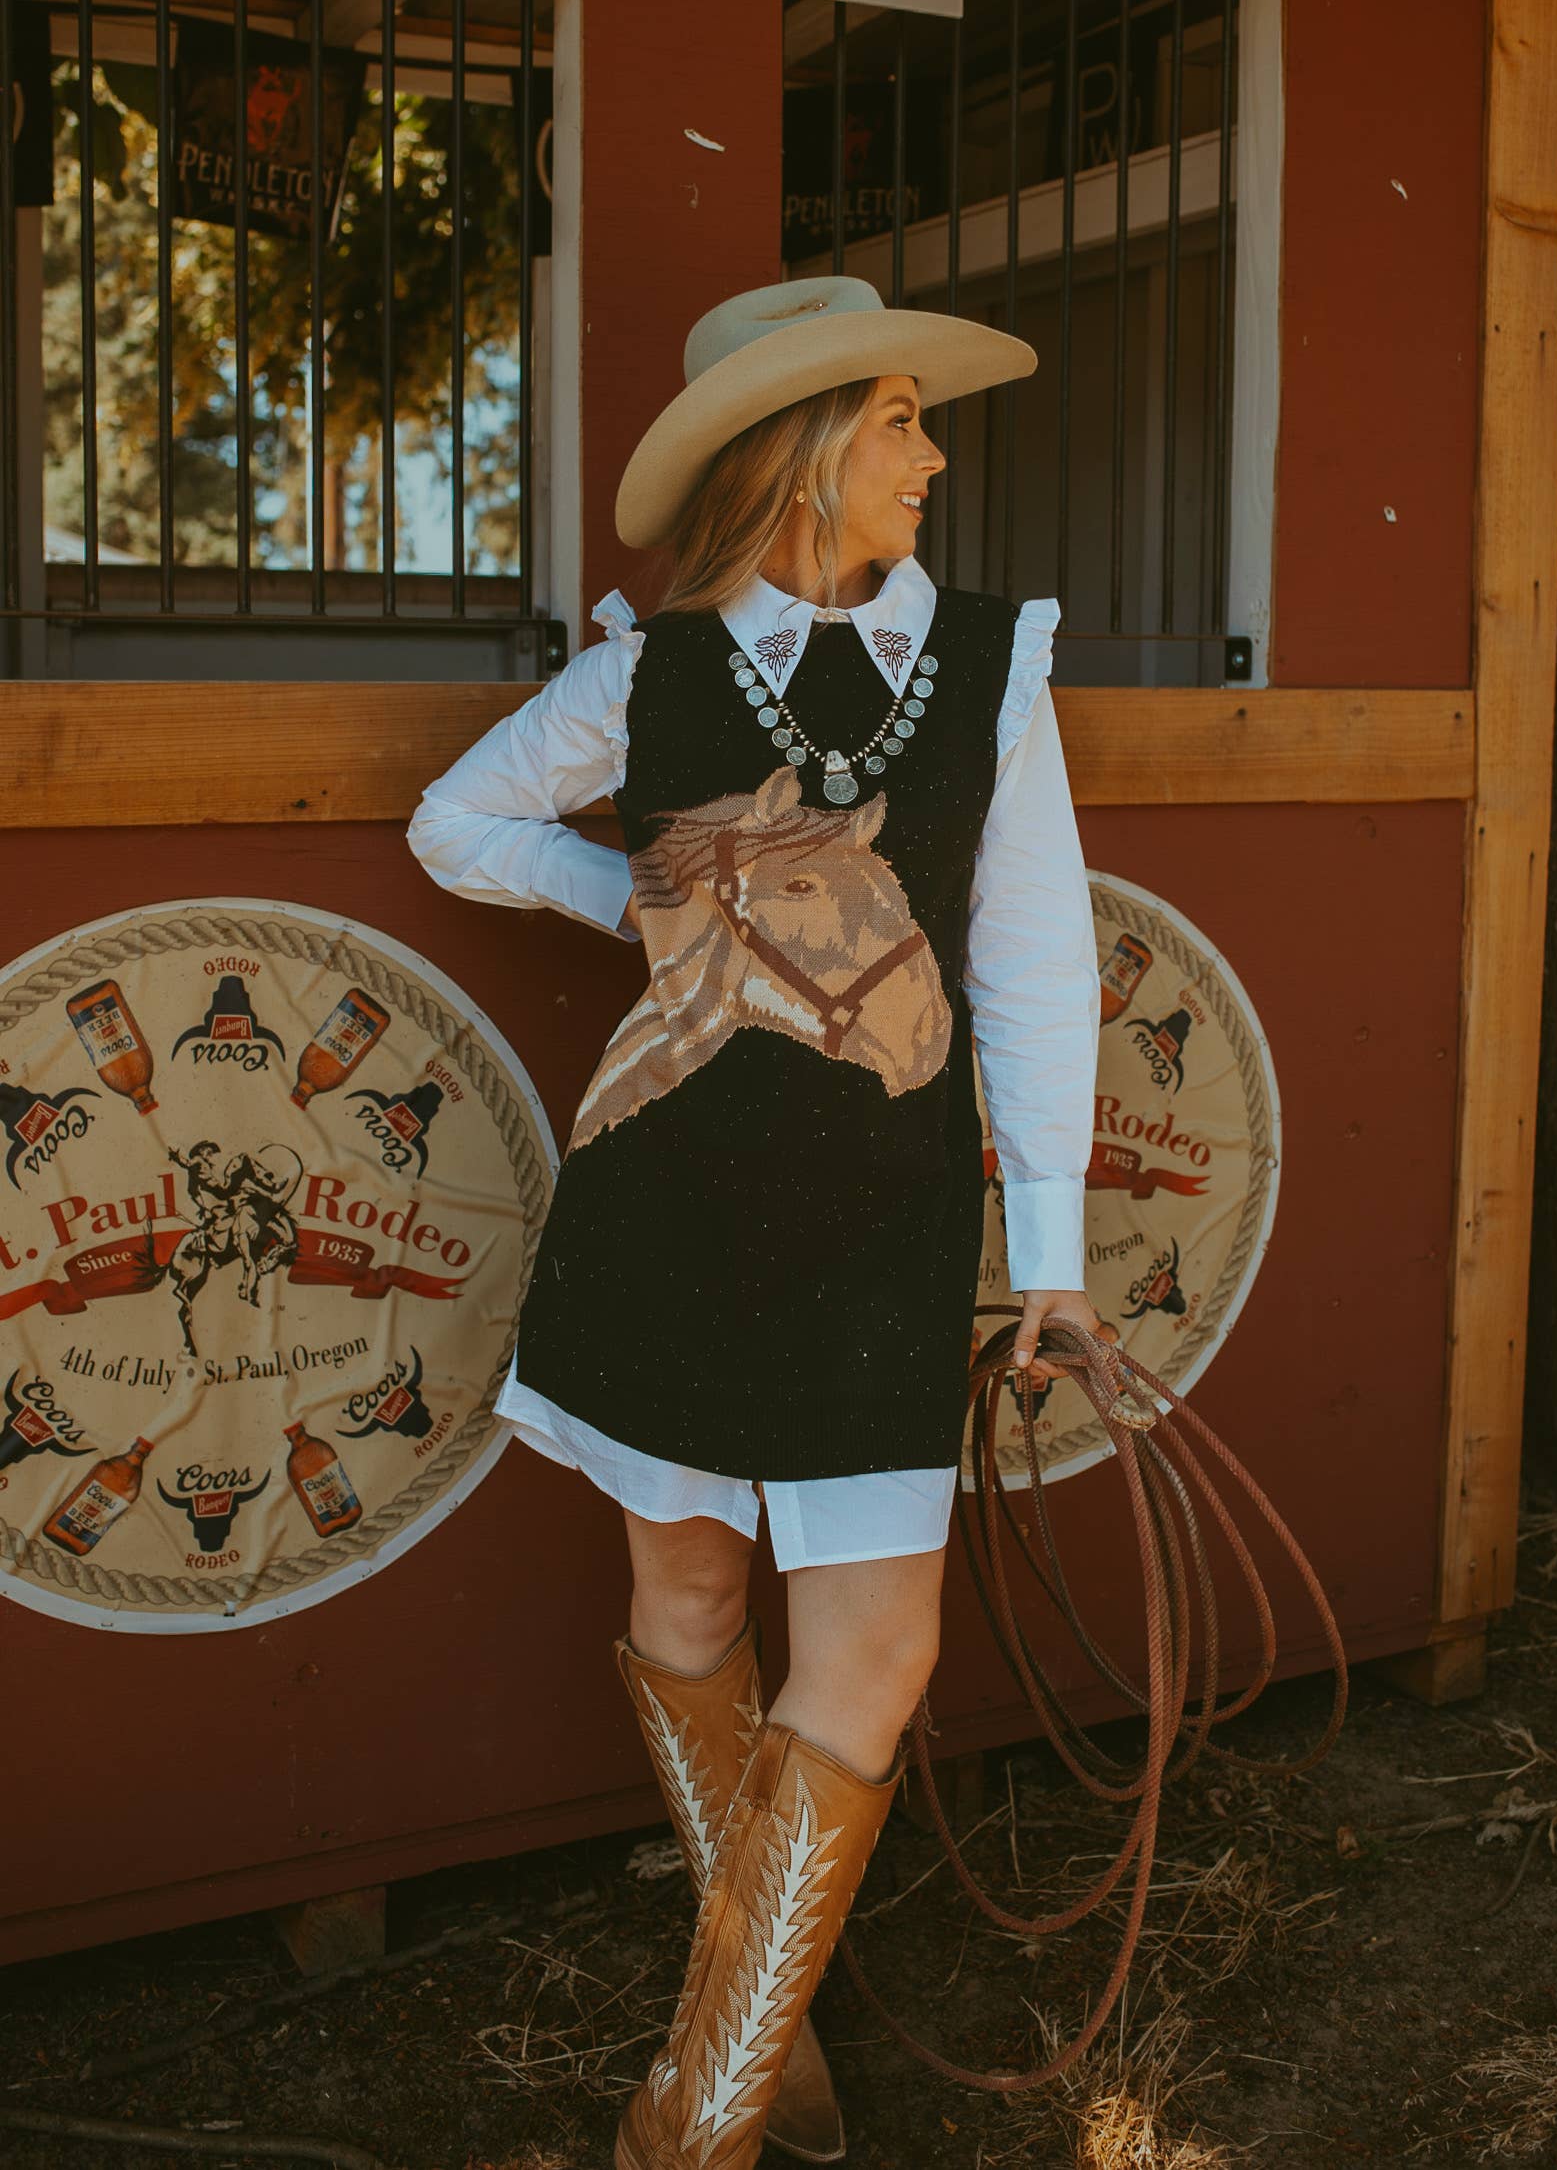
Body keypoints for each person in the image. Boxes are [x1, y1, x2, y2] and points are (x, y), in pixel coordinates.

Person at [407, 275, 1101, 2170]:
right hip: (669, 1208)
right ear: (801, 453)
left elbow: (1037, 965)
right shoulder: (653, 664)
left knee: (878, 1653)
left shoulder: (993, 661)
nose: (930, 454)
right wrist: (657, 894)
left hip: (885, 1222)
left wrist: (1046, 1251)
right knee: (697, 1593)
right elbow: (457, 827)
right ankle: (763, 2024)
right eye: (896, 418)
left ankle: (685, 2127)